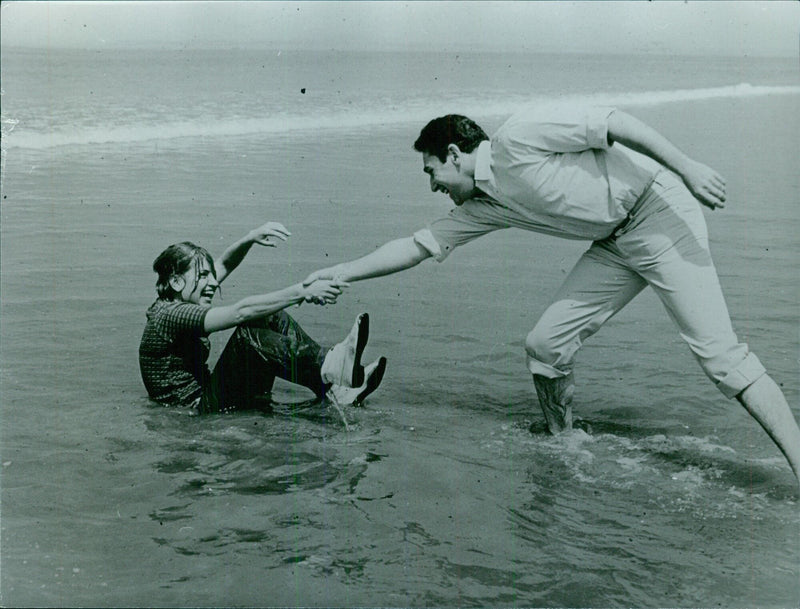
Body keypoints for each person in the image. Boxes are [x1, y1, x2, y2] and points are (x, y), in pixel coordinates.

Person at [303, 104, 800, 485]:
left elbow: (613, 122)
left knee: (720, 358)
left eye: (431, 172)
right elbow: (414, 247)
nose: (433, 186)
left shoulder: (519, 137)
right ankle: (564, 440)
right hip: (614, 242)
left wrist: (687, 167)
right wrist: (340, 272)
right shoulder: (481, 207)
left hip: (660, 212)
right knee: (545, 345)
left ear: (454, 155)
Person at [139, 221, 387, 415]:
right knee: (247, 336)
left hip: (210, 400)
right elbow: (240, 312)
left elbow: (224, 263)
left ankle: (333, 386)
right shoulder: (170, 314)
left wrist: (249, 238)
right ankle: (328, 364)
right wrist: (302, 291)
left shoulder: (178, 299)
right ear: (175, 281)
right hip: (197, 412)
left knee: (271, 314)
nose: (213, 283)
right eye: (203, 275)